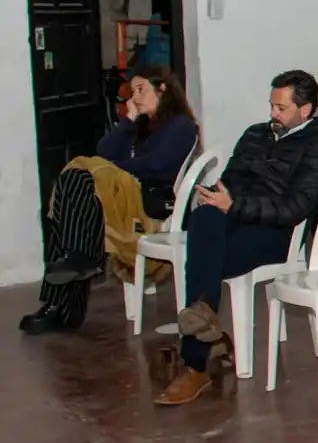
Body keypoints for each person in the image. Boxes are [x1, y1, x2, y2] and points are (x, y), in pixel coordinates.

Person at [154, 70, 318, 406]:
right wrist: (216, 195)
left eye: (281, 108)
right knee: (204, 218)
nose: (273, 113)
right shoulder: (256, 134)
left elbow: (294, 209)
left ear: (306, 109)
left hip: (276, 236)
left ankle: (196, 360)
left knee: (202, 257)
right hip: (235, 218)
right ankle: (205, 332)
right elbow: (231, 181)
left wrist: (234, 204)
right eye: (271, 105)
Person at [20, 66, 199, 335]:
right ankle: (72, 275)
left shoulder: (181, 125)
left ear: (162, 90)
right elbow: (104, 151)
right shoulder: (139, 126)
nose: (135, 97)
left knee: (81, 180)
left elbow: (158, 165)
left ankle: (61, 301)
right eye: (132, 91)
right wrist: (128, 121)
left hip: (149, 203)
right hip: (123, 196)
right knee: (73, 203)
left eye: (142, 90)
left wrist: (115, 169)